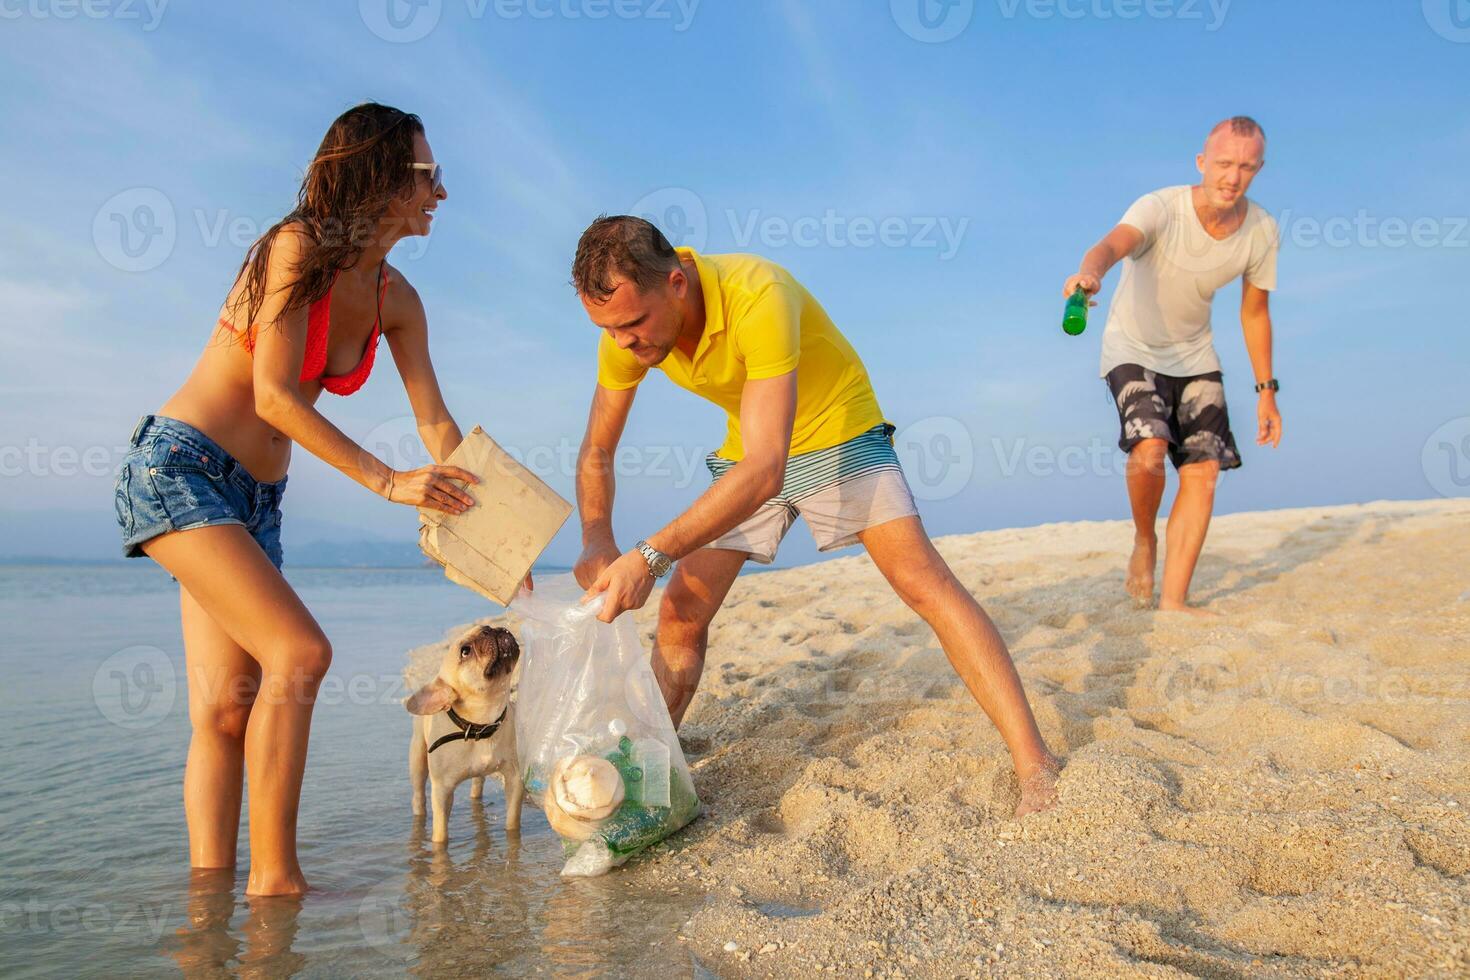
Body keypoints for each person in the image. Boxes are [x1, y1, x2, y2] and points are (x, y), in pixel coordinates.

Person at [569, 216, 1062, 817]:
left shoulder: (759, 294)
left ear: (676, 283)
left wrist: (648, 555)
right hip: (750, 444)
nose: (624, 343)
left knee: (923, 584)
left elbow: (767, 471)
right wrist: (597, 536)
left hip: (835, 426)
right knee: (680, 611)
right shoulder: (622, 330)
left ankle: (1036, 764)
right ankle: (649, 771)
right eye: (608, 330)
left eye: (632, 325)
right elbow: (598, 449)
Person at [112, 103, 483, 895]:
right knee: (302, 654)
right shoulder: (297, 247)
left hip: (256, 504)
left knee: (224, 715)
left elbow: (437, 424)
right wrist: (386, 483)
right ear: (379, 174)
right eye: (429, 175)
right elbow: (274, 396)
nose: (441, 192)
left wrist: (501, 534)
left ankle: (206, 909)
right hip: (182, 467)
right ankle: (275, 883)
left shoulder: (400, 300)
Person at [1063, 116, 1283, 615]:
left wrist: (1266, 390)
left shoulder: (1263, 229)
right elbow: (1112, 244)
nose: (1233, 177)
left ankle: (1174, 602)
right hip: (1133, 347)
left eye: (1246, 167)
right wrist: (1090, 274)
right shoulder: (1161, 207)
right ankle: (1145, 538)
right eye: (1224, 163)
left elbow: (1254, 312)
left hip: (1196, 355)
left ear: (1259, 169)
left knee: (1204, 471)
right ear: (1202, 162)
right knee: (1150, 447)